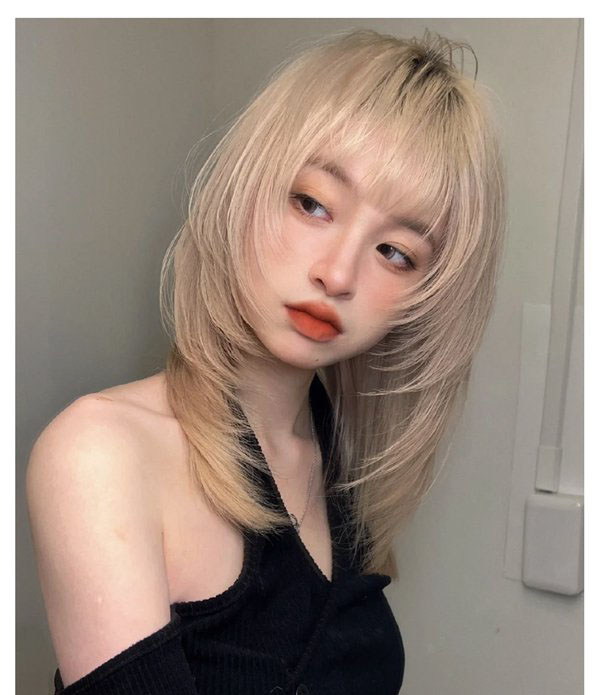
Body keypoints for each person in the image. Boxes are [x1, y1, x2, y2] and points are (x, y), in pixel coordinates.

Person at [26, 28, 506, 695]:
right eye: (313, 204)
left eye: (395, 252)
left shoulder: (337, 468)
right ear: (246, 186)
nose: (337, 273)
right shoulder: (100, 453)